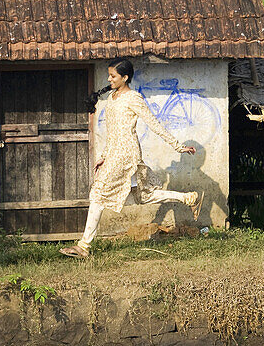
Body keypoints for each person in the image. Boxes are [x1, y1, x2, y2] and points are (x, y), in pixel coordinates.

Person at [60, 59, 202, 259]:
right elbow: (113, 132)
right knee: (144, 196)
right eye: (109, 75)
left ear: (125, 78)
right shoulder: (113, 97)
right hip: (115, 153)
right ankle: (189, 198)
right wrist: (103, 156)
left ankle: (84, 246)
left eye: (113, 76)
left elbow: (154, 124)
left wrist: (178, 146)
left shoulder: (133, 98)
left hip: (127, 154)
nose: (109, 79)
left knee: (98, 194)